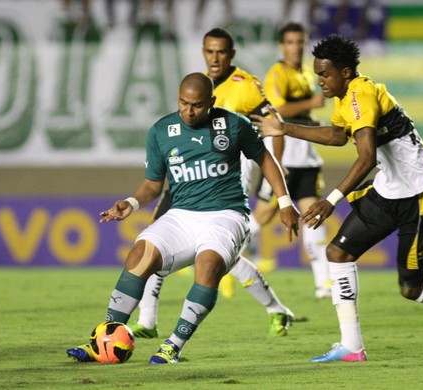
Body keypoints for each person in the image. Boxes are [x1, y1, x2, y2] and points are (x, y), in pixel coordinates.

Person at [251, 34, 423, 363]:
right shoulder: (346, 99)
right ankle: (352, 346)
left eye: (325, 74)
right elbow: (336, 135)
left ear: (344, 72)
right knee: (337, 253)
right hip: (389, 193)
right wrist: (284, 128)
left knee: (411, 289)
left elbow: (366, 157)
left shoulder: (362, 94)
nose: (319, 81)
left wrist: (331, 200)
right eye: (317, 74)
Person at [66, 72, 300, 364]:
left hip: (226, 214)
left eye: (197, 105)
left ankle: (172, 346)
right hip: (182, 215)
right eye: (183, 103)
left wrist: (285, 202)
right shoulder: (161, 131)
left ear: (211, 102)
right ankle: (103, 340)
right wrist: (131, 202)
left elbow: (265, 159)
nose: (189, 111)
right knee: (139, 255)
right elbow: (153, 185)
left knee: (209, 264)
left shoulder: (233, 124)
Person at [129, 27, 297, 340]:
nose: (215, 57)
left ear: (231, 54)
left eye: (221, 52)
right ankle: (148, 320)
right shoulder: (197, 85)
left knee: (220, 257)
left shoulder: (245, 86)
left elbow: (272, 127)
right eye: (209, 51)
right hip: (188, 174)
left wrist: (279, 167)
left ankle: (275, 308)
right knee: (156, 240)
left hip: (226, 178)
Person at [252, 22, 331, 298]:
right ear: (281, 46)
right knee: (262, 215)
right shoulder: (277, 73)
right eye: (291, 42)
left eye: (300, 42)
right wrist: (310, 104)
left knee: (313, 216)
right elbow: (278, 111)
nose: (296, 47)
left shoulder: (307, 74)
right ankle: (226, 258)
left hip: (307, 155)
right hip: (281, 153)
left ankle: (324, 283)